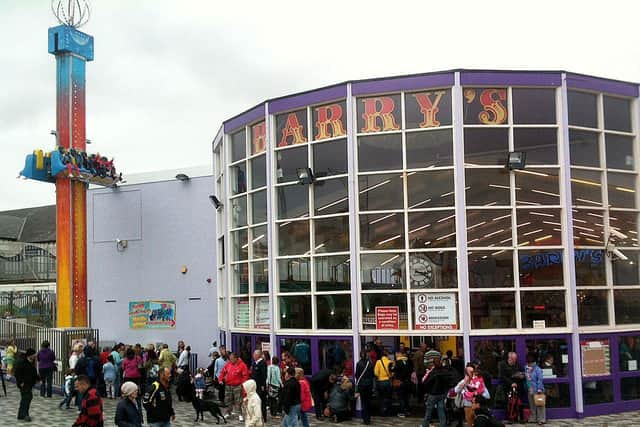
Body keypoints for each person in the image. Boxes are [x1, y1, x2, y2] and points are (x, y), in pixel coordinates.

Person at [219, 352, 250, 421]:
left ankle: (239, 414)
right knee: (227, 400)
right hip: (228, 385)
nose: (230, 360)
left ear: (236, 358)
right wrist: (220, 379)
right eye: (230, 359)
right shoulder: (228, 364)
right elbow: (223, 372)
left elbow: (245, 376)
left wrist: (243, 385)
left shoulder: (242, 365)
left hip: (237, 385)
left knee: (238, 401)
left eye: (232, 359)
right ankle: (228, 412)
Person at [422, 352, 450, 427]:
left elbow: (425, 381)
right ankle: (442, 425)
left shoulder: (432, 372)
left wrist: (428, 390)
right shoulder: (444, 371)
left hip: (433, 394)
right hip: (441, 394)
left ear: (433, 364)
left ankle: (425, 425)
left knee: (428, 412)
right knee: (441, 411)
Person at [14, 348, 39, 421]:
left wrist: (37, 378)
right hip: (23, 384)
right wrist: (20, 382)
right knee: (27, 398)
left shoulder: (32, 361)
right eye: (34, 354)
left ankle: (21, 414)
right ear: (29, 355)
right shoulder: (22, 362)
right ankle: (24, 414)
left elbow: (33, 371)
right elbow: (17, 373)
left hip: (30, 383)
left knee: (26, 398)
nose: (35, 356)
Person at [354, 350, 374, 425]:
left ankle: (365, 419)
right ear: (366, 355)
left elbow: (357, 375)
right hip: (369, 385)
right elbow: (372, 375)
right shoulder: (370, 363)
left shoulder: (358, 364)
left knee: (363, 402)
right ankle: (368, 419)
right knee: (368, 402)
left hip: (362, 386)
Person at [525, 353, 545, 425]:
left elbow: (540, 380)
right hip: (530, 389)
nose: (528, 365)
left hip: (538, 390)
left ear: (533, 363)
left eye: (530, 363)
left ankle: (541, 419)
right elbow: (527, 379)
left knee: (540, 405)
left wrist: (539, 389)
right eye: (528, 363)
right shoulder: (526, 369)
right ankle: (533, 418)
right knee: (532, 405)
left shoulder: (538, 370)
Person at [373, 349, 393, 417]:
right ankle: (388, 411)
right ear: (387, 355)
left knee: (381, 398)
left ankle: (382, 412)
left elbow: (375, 373)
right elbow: (392, 373)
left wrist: (379, 376)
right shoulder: (390, 362)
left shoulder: (378, 362)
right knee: (388, 397)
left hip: (381, 382)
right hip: (388, 382)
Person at [393, 350, 412, 417]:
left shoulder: (398, 362)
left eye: (396, 355)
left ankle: (402, 412)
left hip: (400, 382)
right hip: (407, 382)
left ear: (399, 354)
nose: (395, 356)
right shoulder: (407, 361)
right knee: (406, 397)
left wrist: (393, 365)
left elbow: (393, 369)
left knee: (401, 398)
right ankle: (407, 411)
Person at [251, 349, 268, 423]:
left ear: (258, 355)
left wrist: (263, 385)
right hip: (254, 386)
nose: (253, 356)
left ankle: (263, 417)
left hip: (260, 386)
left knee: (261, 402)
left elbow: (264, 375)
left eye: (255, 354)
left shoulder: (262, 363)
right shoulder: (255, 363)